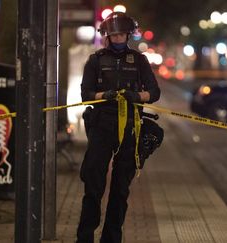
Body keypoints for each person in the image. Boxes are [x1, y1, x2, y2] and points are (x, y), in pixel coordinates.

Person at [76, 11, 161, 243]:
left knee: (121, 188)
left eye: (122, 34)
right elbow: (85, 95)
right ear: (107, 36)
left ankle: (112, 238)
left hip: (130, 127)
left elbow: (154, 92)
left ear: (129, 35)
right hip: (102, 125)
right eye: (114, 35)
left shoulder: (140, 60)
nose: (118, 39)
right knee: (93, 185)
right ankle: (84, 237)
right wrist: (106, 95)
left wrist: (137, 96)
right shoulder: (96, 60)